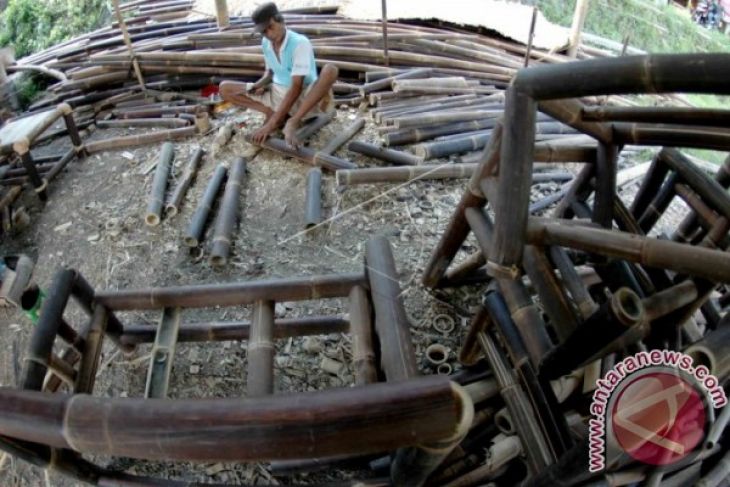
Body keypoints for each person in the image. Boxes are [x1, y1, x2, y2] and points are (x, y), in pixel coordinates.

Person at [219, 2, 338, 148]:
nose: (268, 34)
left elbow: (296, 86)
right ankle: (272, 113)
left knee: (330, 70)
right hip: (278, 93)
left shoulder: (300, 43)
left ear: (280, 20)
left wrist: (271, 125)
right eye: (263, 31)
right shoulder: (266, 42)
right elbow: (269, 72)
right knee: (225, 88)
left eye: (270, 28)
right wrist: (260, 84)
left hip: (305, 97)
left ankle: (292, 121)